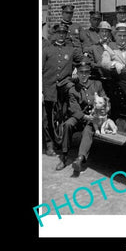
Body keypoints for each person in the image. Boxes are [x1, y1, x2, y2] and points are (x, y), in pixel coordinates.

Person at [55, 58, 110, 172]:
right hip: (80, 117)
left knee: (87, 131)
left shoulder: (97, 85)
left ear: (89, 73)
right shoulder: (73, 90)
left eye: (86, 72)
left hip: (94, 118)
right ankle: (64, 156)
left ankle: (79, 159)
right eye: (81, 72)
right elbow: (74, 109)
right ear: (77, 73)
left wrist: (102, 109)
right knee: (68, 124)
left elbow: (105, 99)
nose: (83, 75)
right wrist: (85, 117)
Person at [42, 24, 82, 156]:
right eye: (59, 33)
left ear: (66, 35)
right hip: (48, 86)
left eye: (64, 33)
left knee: (63, 114)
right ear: (54, 34)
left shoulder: (71, 50)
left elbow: (83, 61)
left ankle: (62, 141)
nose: (61, 35)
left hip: (64, 85)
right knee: (47, 116)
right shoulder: (46, 50)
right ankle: (49, 144)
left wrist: (77, 70)